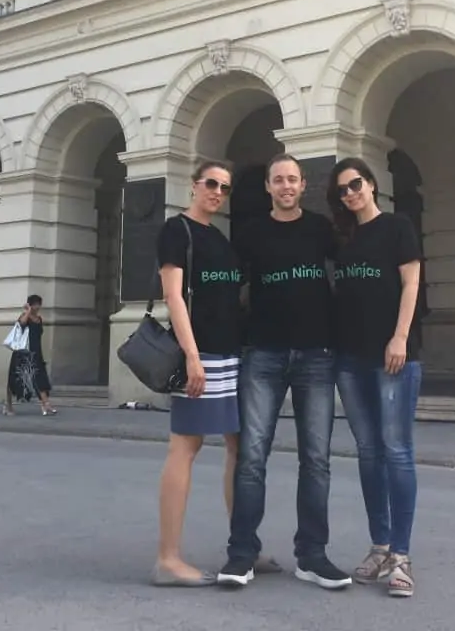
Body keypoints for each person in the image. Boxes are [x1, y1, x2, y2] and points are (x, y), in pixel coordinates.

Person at [218, 154, 351, 591]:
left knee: (317, 461)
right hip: (264, 356)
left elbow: (353, 266)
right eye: (279, 180)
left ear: (302, 184)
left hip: (317, 355)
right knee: (252, 458)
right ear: (269, 188)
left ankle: (312, 556)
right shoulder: (251, 233)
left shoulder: (320, 229)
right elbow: (226, 284)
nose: (286, 186)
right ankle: (241, 555)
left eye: (293, 179)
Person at [327, 157, 422, 599]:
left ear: (372, 184)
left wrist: (399, 337)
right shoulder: (344, 239)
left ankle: (401, 556)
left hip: (392, 356)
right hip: (350, 358)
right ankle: (379, 546)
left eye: (356, 184)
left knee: (397, 450)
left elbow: (410, 284)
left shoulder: (397, 226)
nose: (351, 193)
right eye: (343, 190)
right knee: (368, 452)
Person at [152, 160, 244, 588]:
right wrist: (192, 355)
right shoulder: (178, 231)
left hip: (230, 355)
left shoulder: (219, 238)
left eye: (224, 188)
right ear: (194, 186)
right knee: (185, 448)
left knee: (239, 448)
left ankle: (243, 545)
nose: (217, 193)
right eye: (211, 184)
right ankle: (168, 558)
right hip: (201, 354)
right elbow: (174, 296)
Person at [3, 294, 57, 417]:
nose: (38, 306)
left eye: (39, 304)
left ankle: (46, 403)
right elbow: (21, 324)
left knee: (40, 377)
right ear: (30, 305)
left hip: (36, 352)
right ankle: (8, 404)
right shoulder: (24, 316)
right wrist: (27, 311)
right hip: (22, 353)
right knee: (15, 380)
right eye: (35, 304)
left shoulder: (39, 319)